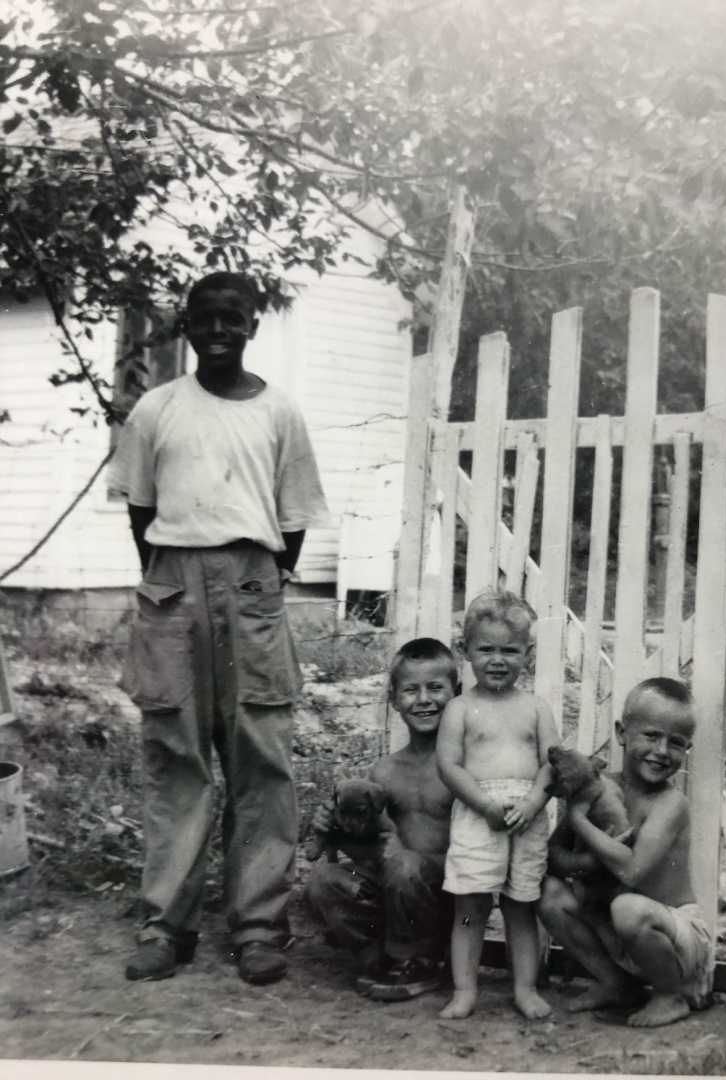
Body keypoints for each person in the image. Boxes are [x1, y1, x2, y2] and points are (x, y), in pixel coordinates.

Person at [113, 270, 329, 986]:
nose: (216, 330)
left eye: (231, 318)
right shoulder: (157, 409)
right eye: (203, 317)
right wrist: (175, 575)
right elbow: (141, 510)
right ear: (186, 324)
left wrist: (257, 580)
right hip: (173, 586)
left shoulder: (280, 412)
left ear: (251, 327)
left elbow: (293, 518)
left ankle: (259, 926)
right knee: (175, 753)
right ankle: (165, 926)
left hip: (252, 585)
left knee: (260, 755)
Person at [539, 677, 713, 1027]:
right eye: (651, 736)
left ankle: (670, 996)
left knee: (627, 907)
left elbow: (632, 872)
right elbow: (552, 856)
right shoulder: (599, 787)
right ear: (622, 733)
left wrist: (580, 821)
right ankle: (616, 985)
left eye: (676, 743)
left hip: (675, 937)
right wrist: (585, 865)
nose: (661, 751)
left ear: (687, 747)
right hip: (617, 931)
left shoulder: (670, 803)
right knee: (550, 894)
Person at [304, 637, 459, 1001]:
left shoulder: (461, 766)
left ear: (458, 692)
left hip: (446, 892)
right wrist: (333, 828)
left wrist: (406, 860)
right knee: (324, 880)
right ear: (393, 699)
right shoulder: (385, 771)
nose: (423, 699)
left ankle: (421, 959)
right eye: (411, 690)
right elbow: (373, 849)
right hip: (395, 887)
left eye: (436, 688)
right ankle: (379, 956)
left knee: (404, 866)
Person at [436, 591, 559, 1020]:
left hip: (527, 815)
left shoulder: (536, 708)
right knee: (470, 906)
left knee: (521, 905)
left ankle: (525, 988)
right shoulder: (460, 708)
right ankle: (464, 990)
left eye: (510, 650)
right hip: (477, 813)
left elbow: (552, 763)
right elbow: (449, 766)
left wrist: (534, 800)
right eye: (486, 649)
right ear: (465, 650)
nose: (497, 660)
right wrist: (484, 804)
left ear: (528, 653)